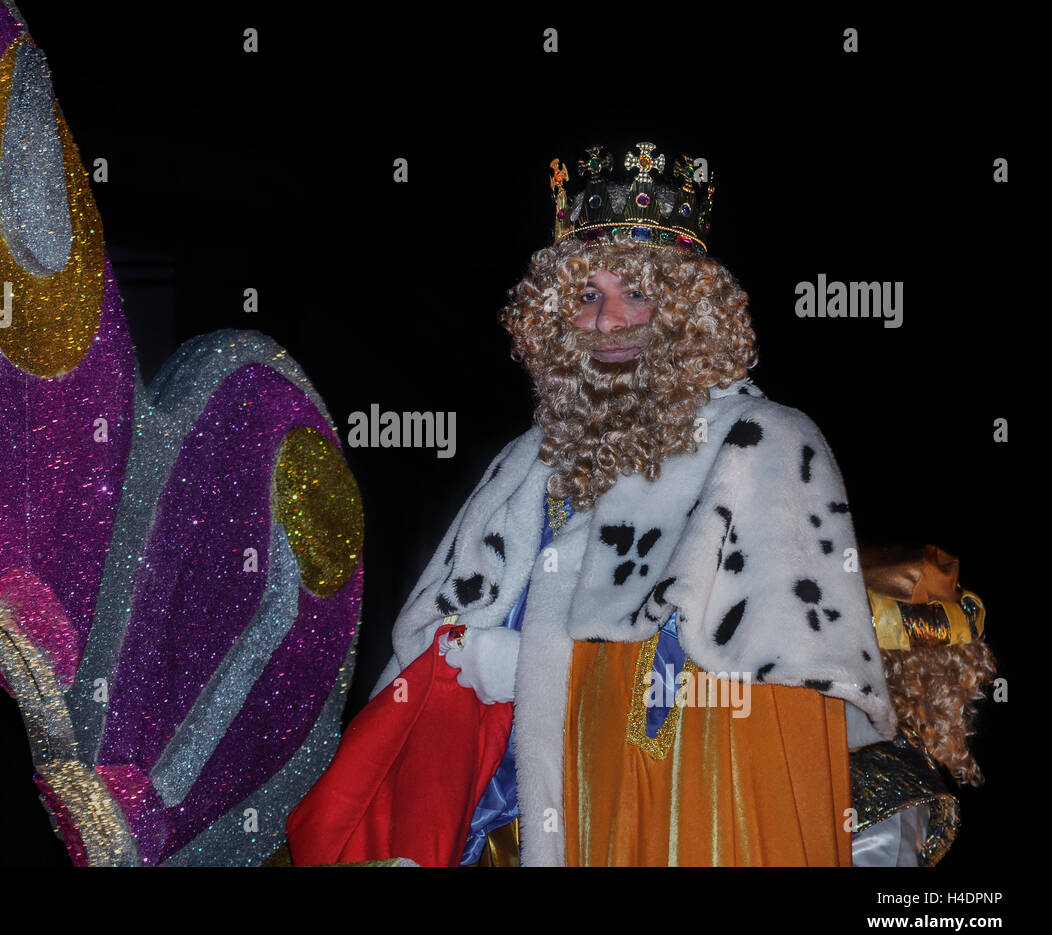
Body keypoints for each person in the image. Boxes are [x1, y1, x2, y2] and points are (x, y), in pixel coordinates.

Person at [360, 141, 899, 867]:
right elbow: (426, 667)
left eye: (637, 293)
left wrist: (528, 667)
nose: (609, 322)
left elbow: (752, 712)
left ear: (691, 314)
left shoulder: (763, 446)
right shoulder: (525, 467)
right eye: (586, 296)